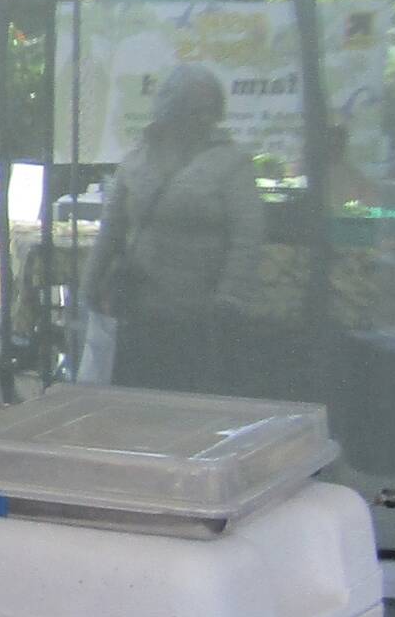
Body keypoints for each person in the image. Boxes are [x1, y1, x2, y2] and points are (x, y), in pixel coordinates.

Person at [82, 64, 265, 392]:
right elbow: (111, 229)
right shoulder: (137, 159)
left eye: (210, 109)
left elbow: (247, 238)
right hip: (139, 308)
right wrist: (91, 283)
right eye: (193, 108)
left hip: (199, 314)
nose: (203, 117)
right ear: (171, 108)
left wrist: (229, 297)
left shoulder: (231, 164)